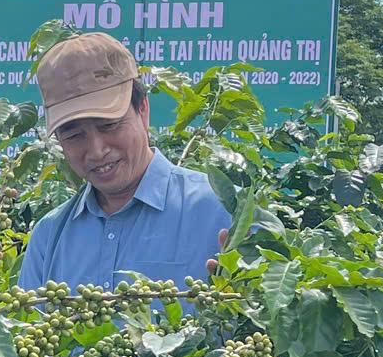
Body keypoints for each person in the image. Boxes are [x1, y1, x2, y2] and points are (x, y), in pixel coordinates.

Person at [15, 33, 228, 291]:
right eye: (73, 135)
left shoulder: (221, 211)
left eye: (109, 125)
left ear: (143, 110)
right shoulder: (48, 238)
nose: (96, 150)